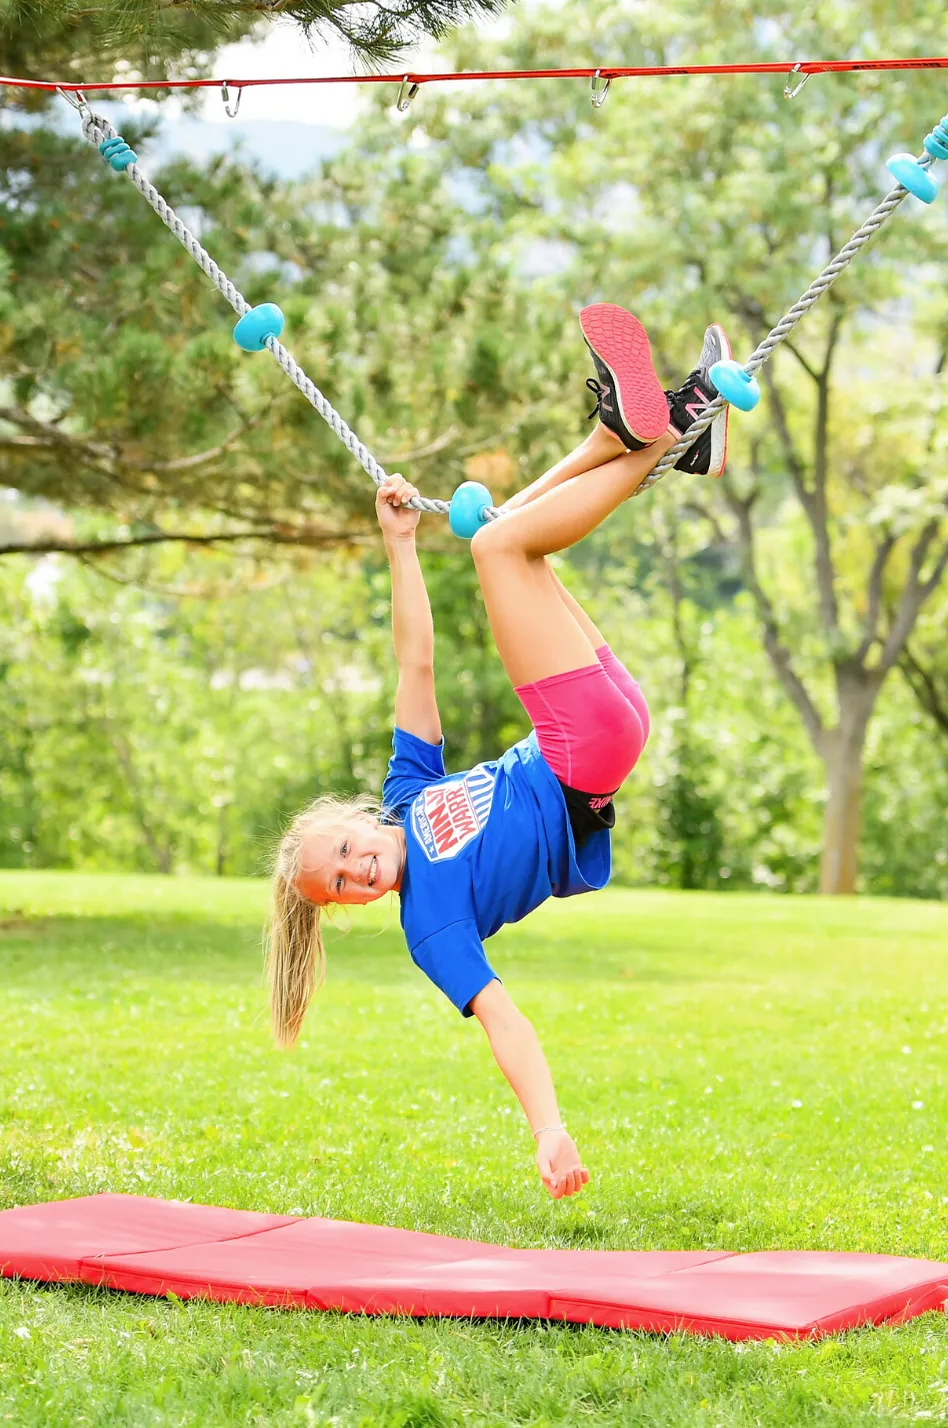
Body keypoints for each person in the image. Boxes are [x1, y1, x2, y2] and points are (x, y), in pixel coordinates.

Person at [266, 305, 731, 1199]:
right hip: (577, 758)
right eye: (348, 886)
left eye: (347, 854)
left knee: (513, 540)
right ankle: (661, 438)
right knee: (500, 544)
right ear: (354, 906)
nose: (362, 872)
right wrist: (549, 1128)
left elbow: (415, 659)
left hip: (596, 720)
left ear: (356, 821)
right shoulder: (431, 928)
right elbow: (502, 1018)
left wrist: (399, 546)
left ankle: (648, 434)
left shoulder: (408, 793)